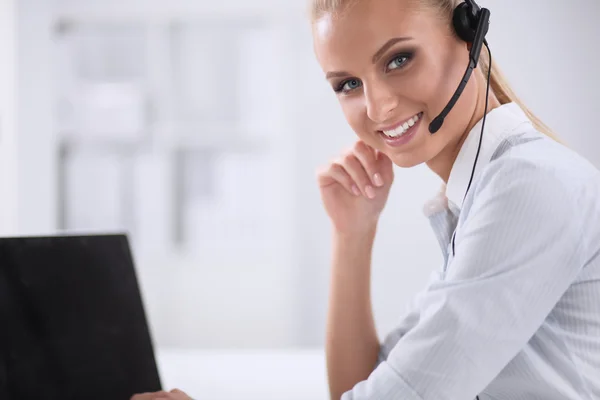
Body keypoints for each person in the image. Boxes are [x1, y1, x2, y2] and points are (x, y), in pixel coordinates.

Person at [132, 0, 600, 399]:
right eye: (347, 84)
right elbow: (364, 385)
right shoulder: (479, 197)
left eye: (398, 59)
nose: (378, 108)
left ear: (469, 35)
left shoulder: (528, 186)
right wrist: (352, 233)